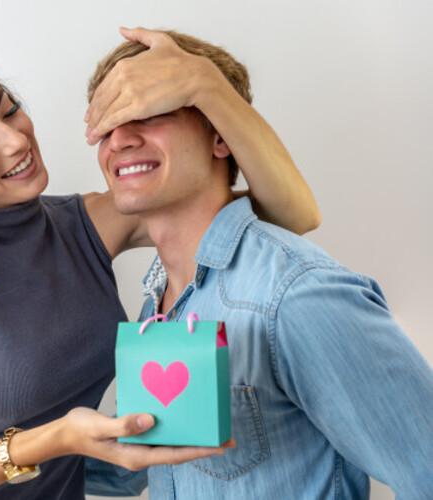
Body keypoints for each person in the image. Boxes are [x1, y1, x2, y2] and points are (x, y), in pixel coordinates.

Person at [0, 29, 319, 499]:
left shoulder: (87, 225)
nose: (15, 140)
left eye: (9, 109)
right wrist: (54, 440)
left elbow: (292, 214)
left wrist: (207, 85)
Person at [86, 29, 433, 499]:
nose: (119, 140)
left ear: (221, 137)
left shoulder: (296, 296)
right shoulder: (159, 307)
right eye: (105, 125)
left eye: (148, 113)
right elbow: (145, 459)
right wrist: (20, 451)